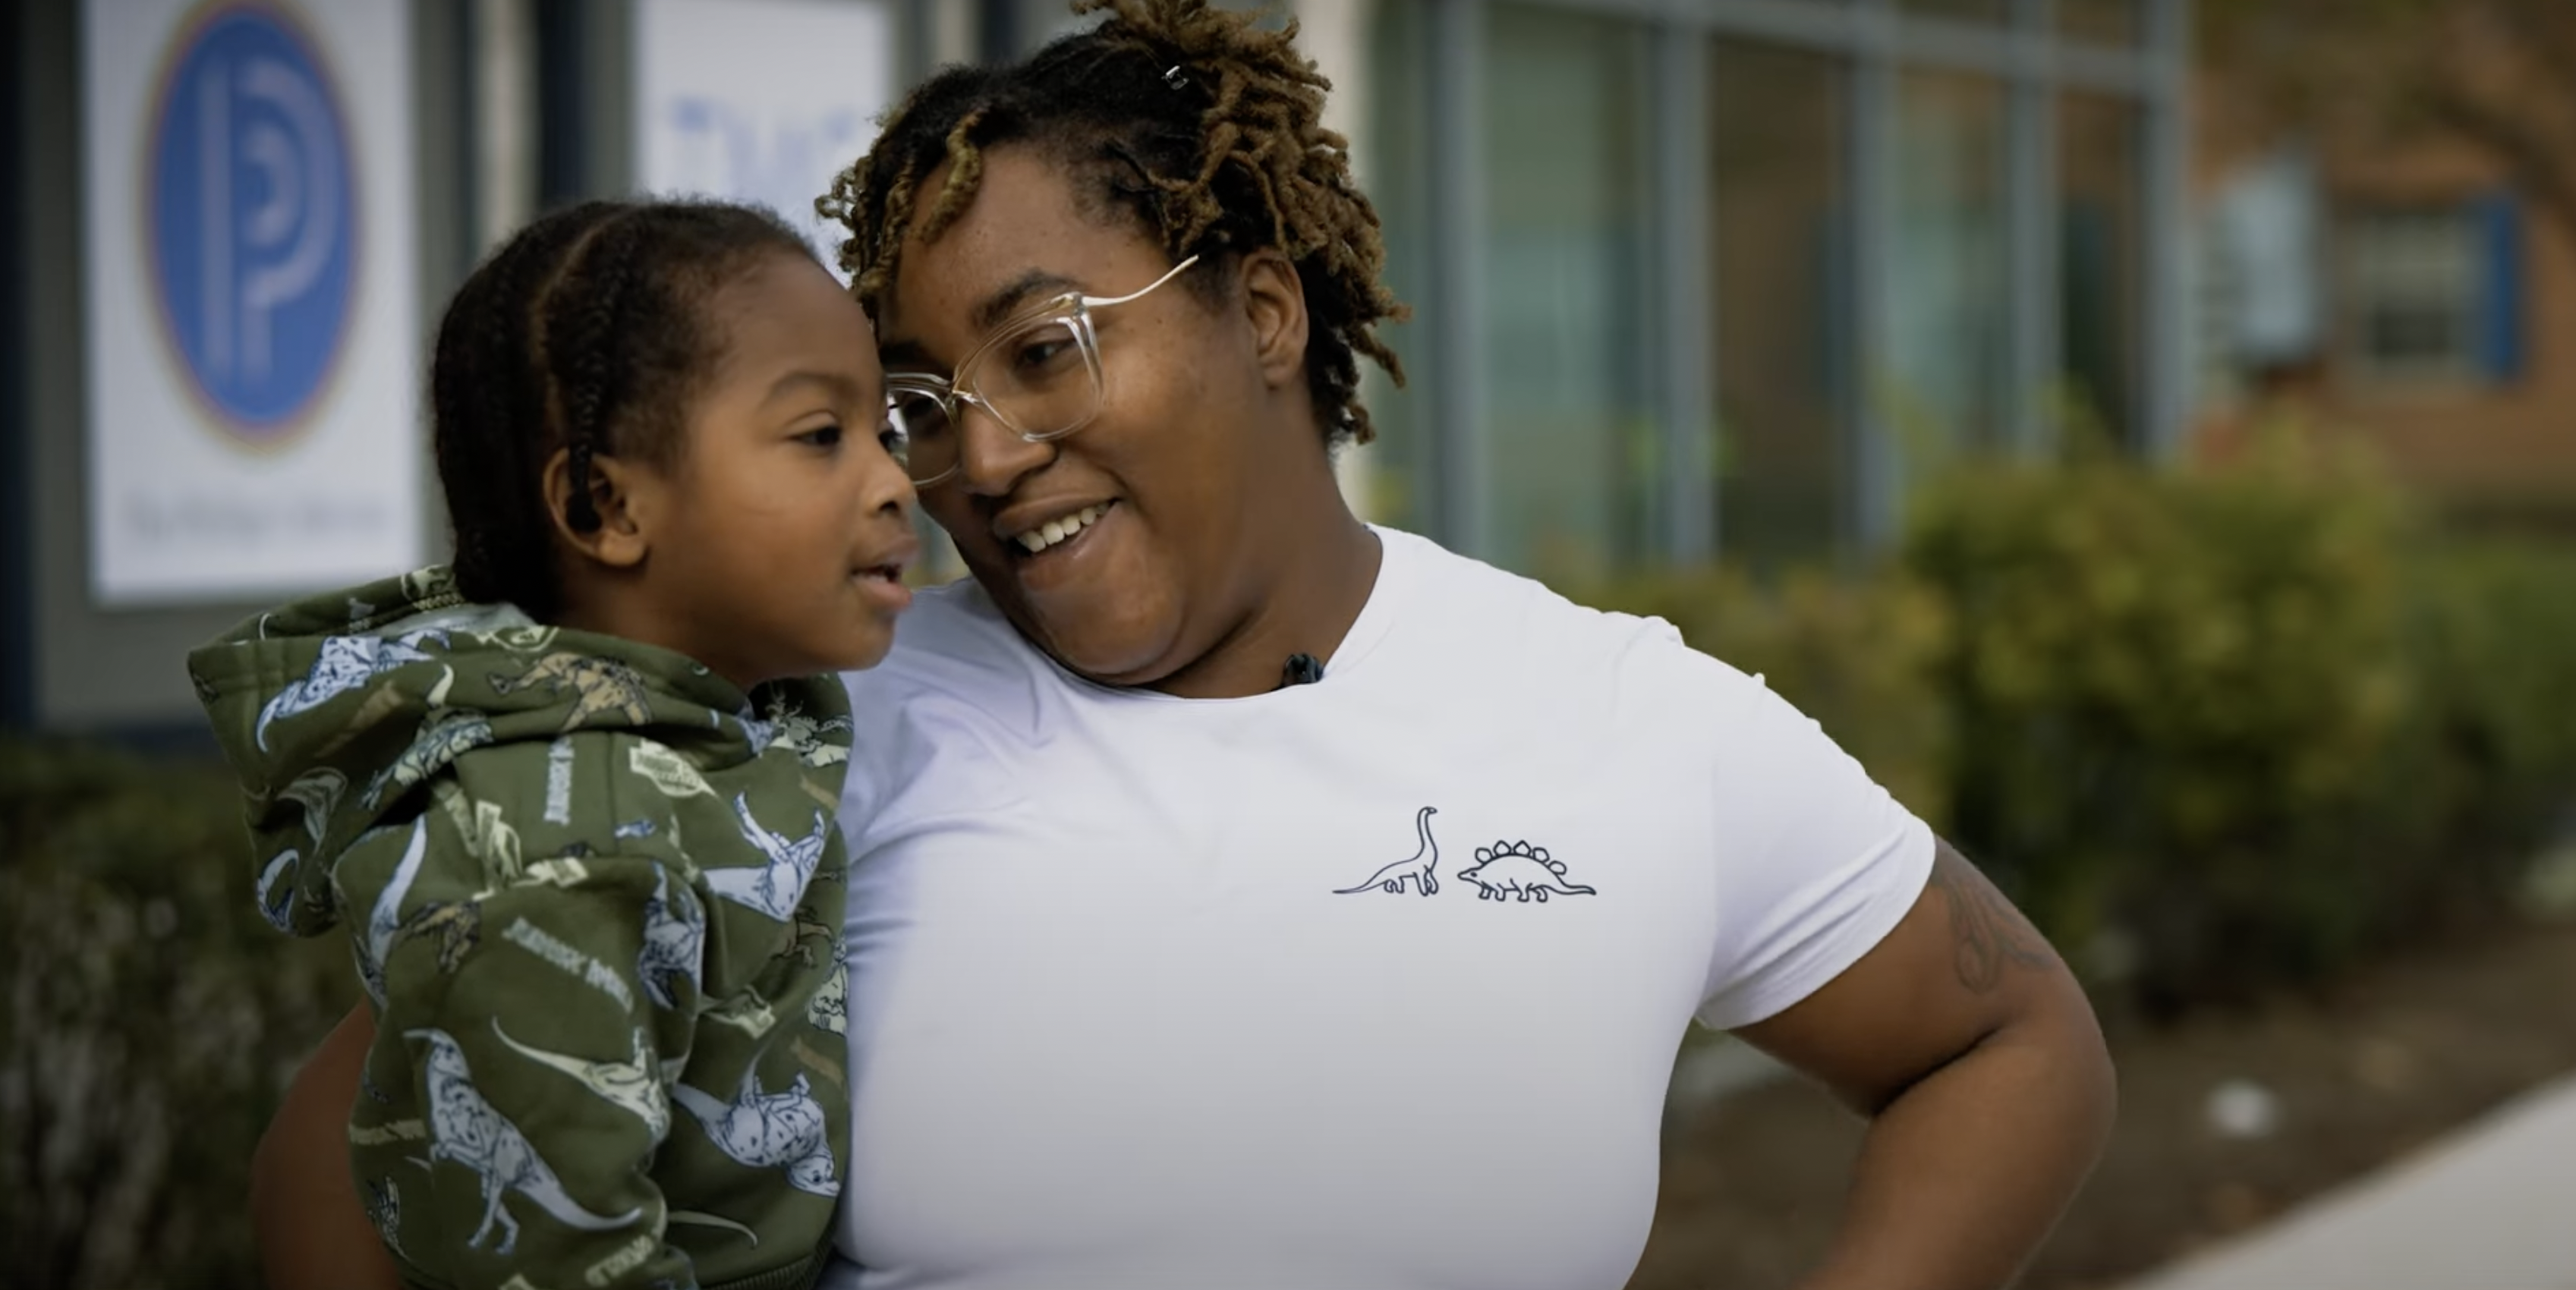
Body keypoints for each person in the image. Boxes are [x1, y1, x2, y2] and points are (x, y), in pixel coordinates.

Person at [258, 2, 2116, 1287]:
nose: (981, 457)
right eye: (918, 402)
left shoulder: (1622, 720)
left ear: (1263, 312)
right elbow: (365, 1144)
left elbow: (2008, 1038)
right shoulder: (812, 733)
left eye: (1044, 349)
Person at [190, 197, 919, 1290]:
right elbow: (558, 1251)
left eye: (887, 432)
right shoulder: (562, 850)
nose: (896, 481)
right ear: (601, 507)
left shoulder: (736, 710)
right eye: (822, 436)